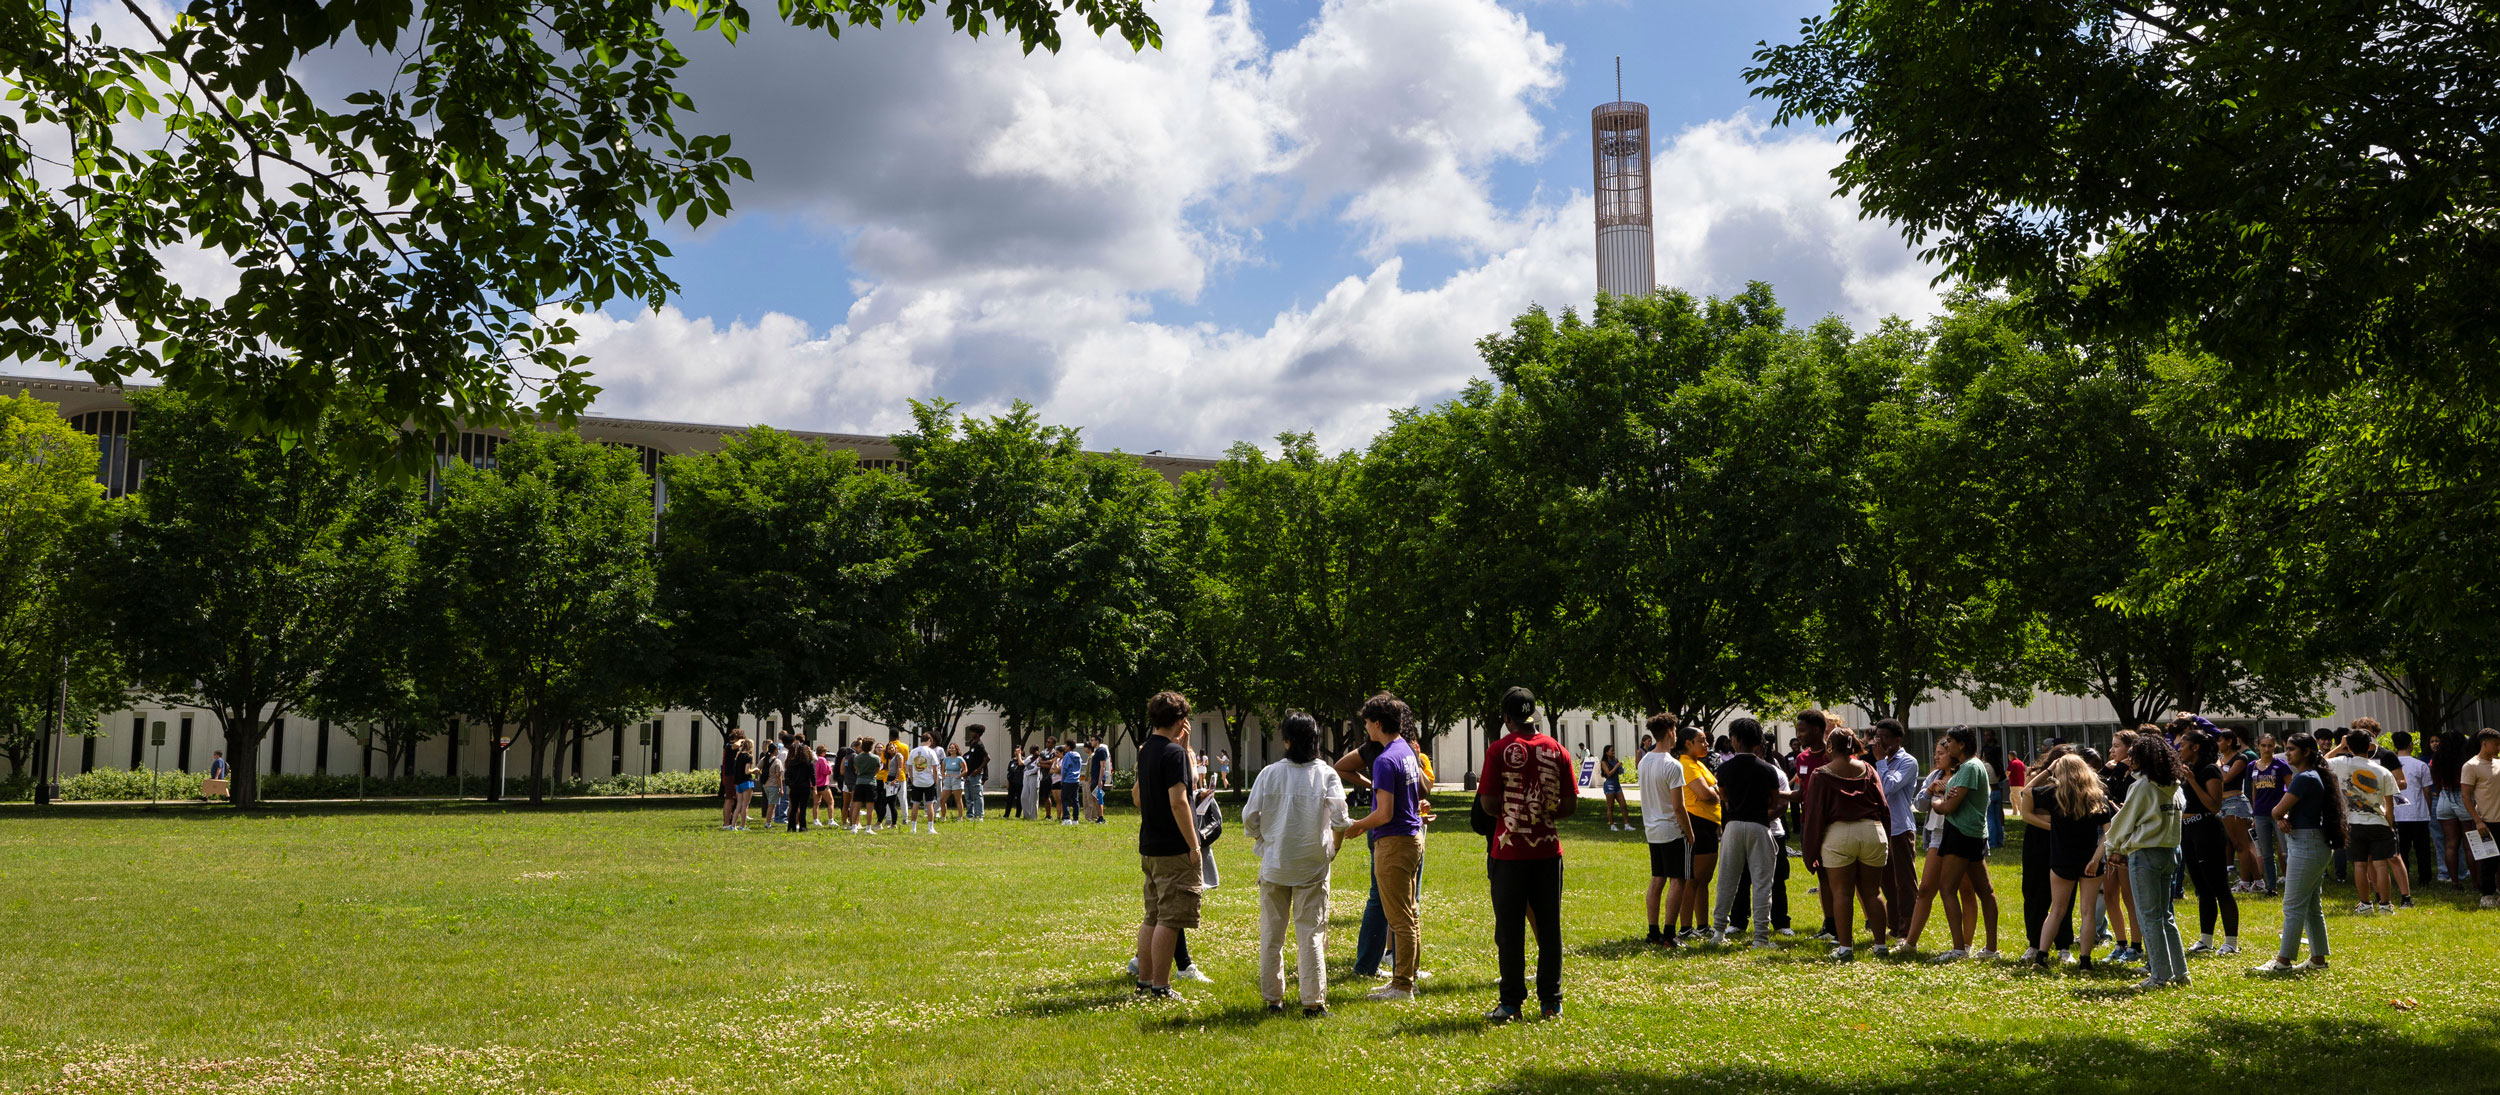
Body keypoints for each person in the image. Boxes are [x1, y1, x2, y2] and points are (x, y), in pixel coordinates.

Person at [1478, 687, 1574, 1022]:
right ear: (1533, 714)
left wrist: (1513, 814)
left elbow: (1488, 804)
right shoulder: (1557, 749)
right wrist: (1541, 815)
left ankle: (1511, 1003)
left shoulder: (1498, 750)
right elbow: (1569, 804)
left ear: (1506, 719)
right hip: (1548, 852)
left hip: (1509, 853)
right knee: (1549, 928)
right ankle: (1551, 1002)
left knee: (1510, 930)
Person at [1244, 713, 1350, 1016]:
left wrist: (1264, 840)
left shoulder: (1269, 773)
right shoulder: (1326, 774)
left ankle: (1273, 999)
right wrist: (1333, 848)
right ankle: (1313, 1002)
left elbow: (1249, 817)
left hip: (1276, 864)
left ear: (1286, 741)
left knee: (1272, 935)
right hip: (1312, 866)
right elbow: (1341, 819)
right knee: (1311, 935)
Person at [1342, 693, 1428, 1002]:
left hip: (1393, 841)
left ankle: (1402, 986)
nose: (1365, 728)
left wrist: (1357, 825)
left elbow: (1384, 813)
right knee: (1410, 914)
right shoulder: (1405, 749)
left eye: (1366, 723)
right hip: (1412, 837)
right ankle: (1409, 979)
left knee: (1400, 918)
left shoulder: (1385, 759)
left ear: (1377, 724)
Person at [1130, 691, 1202, 1001]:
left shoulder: (1146, 750)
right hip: (1173, 849)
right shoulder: (1173, 754)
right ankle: (1161, 987)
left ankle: (1145, 983)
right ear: (1180, 720)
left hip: (1150, 845)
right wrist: (1194, 845)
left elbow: (1137, 798)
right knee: (1170, 919)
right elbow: (1179, 802)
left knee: (1152, 916)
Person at [2253, 730, 2341, 974]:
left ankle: (2283, 961)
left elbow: (2275, 810)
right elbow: (2292, 811)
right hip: (2312, 842)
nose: (2287, 753)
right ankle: (2318, 960)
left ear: (2306, 752)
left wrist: (2280, 815)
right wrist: (2284, 817)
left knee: (2292, 906)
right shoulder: (2314, 775)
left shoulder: (2304, 778)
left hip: (2307, 844)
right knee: (2312, 905)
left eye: (2291, 749)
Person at [2105, 733, 2188, 990]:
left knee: (2149, 917)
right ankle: (2180, 972)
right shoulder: (2174, 785)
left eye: (2133, 755)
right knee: (2165, 917)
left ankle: (2160, 976)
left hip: (2146, 854)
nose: (2130, 759)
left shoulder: (2142, 786)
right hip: (2169, 851)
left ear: (2143, 758)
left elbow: (2124, 820)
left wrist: (2112, 847)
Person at [1800, 727, 1890, 960]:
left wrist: (1810, 852)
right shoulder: (1868, 769)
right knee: (1872, 892)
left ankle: (1845, 948)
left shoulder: (1820, 774)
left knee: (1842, 893)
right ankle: (1881, 945)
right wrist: (1885, 838)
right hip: (1872, 831)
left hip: (1839, 834)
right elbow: (1883, 807)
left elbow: (1814, 815)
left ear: (1830, 747)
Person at [2023, 754, 2113, 970]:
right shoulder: (2097, 796)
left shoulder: (2053, 795)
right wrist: (2096, 858)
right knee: (2088, 912)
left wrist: (2047, 770)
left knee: (2056, 910)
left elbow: (2026, 791)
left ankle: (2041, 957)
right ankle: (2085, 961)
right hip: (2090, 862)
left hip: (2062, 860)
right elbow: (2109, 833)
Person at [1923, 726, 2000, 961]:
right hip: (1974, 833)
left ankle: (1958, 950)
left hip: (1961, 833)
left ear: (1962, 745)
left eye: (1951, 742)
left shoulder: (1968, 767)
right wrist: (1947, 792)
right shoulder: (1975, 766)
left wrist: (1936, 799)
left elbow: (1948, 808)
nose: (1947, 746)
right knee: (1985, 891)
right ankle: (1990, 949)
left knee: (1947, 889)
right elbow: (1957, 798)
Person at [1709, 718, 1787, 948]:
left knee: (1727, 880)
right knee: (1763, 883)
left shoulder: (1724, 768)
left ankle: (1718, 932)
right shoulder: (1768, 769)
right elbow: (1774, 799)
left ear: (1736, 739)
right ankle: (1761, 937)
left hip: (1733, 826)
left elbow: (1723, 796)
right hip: (1760, 825)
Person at [2175, 729, 2241, 954]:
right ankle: (2206, 940)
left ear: (2195, 747)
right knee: (2202, 888)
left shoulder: (2210, 769)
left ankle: (2231, 942)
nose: (2179, 749)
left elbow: (2214, 805)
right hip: (2189, 831)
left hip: (2207, 831)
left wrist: (2192, 782)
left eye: (2183, 745)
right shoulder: (2188, 769)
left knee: (2219, 887)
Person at [2013, 744, 2078, 963]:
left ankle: (2063, 945)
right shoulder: (2038, 776)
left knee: (2063, 896)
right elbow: (2026, 802)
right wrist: (2048, 771)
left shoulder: (2075, 783)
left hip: (2064, 842)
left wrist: (2053, 822)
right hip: (2038, 841)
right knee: (2034, 892)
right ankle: (2034, 943)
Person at [2328, 726, 2398, 913]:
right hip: (2379, 822)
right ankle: (2385, 905)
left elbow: (2320, 762)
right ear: (2370, 746)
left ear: (2348, 746)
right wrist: (2390, 825)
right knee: (2381, 864)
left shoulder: (2341, 762)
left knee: (2359, 864)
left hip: (2352, 822)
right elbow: (2389, 805)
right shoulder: (2383, 771)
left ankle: (2365, 904)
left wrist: (2340, 746)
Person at [1638, 714, 1693, 948]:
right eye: (1676, 730)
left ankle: (1653, 932)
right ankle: (1669, 935)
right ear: (1670, 731)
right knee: (1677, 880)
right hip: (1671, 830)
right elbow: (1679, 807)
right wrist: (1690, 833)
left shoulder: (1644, 761)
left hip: (1652, 829)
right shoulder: (1673, 765)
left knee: (1657, 879)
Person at [1868, 720, 1920, 941]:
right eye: (1877, 737)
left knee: (1905, 883)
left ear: (1898, 739)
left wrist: (1880, 761)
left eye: (1885, 737)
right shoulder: (1878, 762)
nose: (1879, 741)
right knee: (1886, 881)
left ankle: (1907, 930)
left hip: (1900, 829)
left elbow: (1888, 787)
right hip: (1880, 828)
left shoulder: (1908, 762)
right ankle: (1893, 926)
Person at [1674, 724, 1722, 941]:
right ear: (1688, 743)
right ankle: (1685, 928)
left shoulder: (1697, 764)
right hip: (1697, 824)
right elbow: (1705, 794)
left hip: (1709, 825)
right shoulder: (1686, 764)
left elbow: (1714, 791)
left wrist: (1716, 792)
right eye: (1701, 740)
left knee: (1703, 880)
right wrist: (1717, 792)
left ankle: (1702, 926)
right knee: (1693, 880)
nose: (1706, 744)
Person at [2213, 727, 2265, 893]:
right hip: (2223, 802)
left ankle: (2245, 882)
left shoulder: (2240, 758)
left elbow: (2226, 778)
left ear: (2229, 741)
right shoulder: (2221, 759)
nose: (2217, 744)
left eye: (2220, 740)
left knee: (2242, 845)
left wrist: (2218, 763)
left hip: (2235, 802)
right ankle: (2257, 882)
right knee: (2239, 844)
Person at [2246, 734, 2291, 896]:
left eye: (2270, 745)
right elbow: (2254, 791)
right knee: (2266, 854)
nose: (2266, 749)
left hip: (2278, 813)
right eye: (2263, 745)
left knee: (2286, 851)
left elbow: (2291, 789)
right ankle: (2271, 887)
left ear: (2275, 746)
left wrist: (2287, 813)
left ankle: (2293, 884)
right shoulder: (2252, 766)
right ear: (2257, 746)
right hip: (2260, 814)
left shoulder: (2281, 765)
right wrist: (2253, 813)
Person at [2391, 731, 2434, 894]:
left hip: (2397, 814)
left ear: (2394, 745)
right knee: (2422, 850)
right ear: (2411, 744)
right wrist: (2427, 809)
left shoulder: (2388, 766)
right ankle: (2425, 878)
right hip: (2418, 813)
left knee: (2401, 850)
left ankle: (2404, 877)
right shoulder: (2420, 765)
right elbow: (2427, 791)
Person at [2462, 727, 2500, 906]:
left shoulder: (2499, 763)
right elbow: (2465, 796)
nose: (2498, 748)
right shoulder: (2471, 766)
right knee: (2490, 860)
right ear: (2484, 744)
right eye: (2496, 744)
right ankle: (2487, 894)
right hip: (2486, 820)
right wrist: (2477, 821)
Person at [2431, 729, 2471, 887]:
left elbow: (2436, 783)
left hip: (2444, 798)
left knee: (2450, 844)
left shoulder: (2437, 759)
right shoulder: (2466, 759)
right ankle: (2476, 881)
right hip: (2463, 798)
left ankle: (2455, 881)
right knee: (2469, 844)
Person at [907, 734, 942, 835]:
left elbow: (909, 767)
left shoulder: (913, 751)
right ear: (929, 741)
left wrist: (912, 779)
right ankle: (930, 828)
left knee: (915, 804)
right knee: (930, 804)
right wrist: (935, 780)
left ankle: (913, 828)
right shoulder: (931, 751)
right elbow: (935, 768)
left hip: (917, 782)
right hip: (928, 782)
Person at [721, 732, 754, 831]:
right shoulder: (729, 745)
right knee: (729, 799)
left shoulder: (738, 752)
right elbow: (735, 745)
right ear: (736, 738)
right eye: (741, 740)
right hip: (730, 775)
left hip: (733, 776)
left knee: (736, 801)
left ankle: (732, 822)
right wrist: (741, 741)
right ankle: (727, 824)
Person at [783, 738, 815, 833]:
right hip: (804, 787)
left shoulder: (792, 763)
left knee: (793, 808)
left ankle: (791, 827)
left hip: (794, 788)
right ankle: (803, 827)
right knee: (803, 808)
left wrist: (791, 784)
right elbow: (812, 776)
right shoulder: (809, 763)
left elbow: (787, 775)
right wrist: (814, 787)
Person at [849, 738, 880, 832]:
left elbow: (856, 768)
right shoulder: (876, 758)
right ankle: (868, 828)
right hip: (870, 782)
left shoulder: (857, 757)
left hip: (859, 782)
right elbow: (877, 770)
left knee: (856, 806)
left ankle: (854, 827)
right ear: (871, 747)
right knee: (870, 808)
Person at [963, 726, 990, 822]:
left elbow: (987, 758)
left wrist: (978, 770)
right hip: (969, 774)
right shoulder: (972, 743)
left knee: (977, 795)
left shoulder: (979, 744)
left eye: (973, 732)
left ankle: (979, 816)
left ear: (978, 734)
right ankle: (971, 815)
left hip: (975, 775)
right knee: (969, 796)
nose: (971, 733)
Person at [1600, 745, 1629, 831]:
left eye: (1613, 750)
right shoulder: (1604, 762)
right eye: (1611, 751)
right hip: (1610, 785)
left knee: (1623, 805)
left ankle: (1627, 824)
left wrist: (1621, 769)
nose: (1613, 752)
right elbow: (1608, 774)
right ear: (1606, 753)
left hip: (1617, 784)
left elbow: (1618, 771)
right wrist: (1616, 766)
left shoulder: (1615, 760)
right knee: (1611, 806)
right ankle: (1612, 825)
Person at [1058, 740, 1086, 825]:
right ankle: (1075, 819)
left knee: (1064, 799)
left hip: (1068, 780)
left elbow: (1064, 769)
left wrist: (1062, 779)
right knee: (1075, 800)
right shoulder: (1078, 755)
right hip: (1076, 780)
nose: (1065, 748)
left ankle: (1066, 818)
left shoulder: (1067, 756)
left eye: (1066, 746)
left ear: (1069, 746)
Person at [1088, 734, 1113, 824]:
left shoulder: (1101, 751)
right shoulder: (1096, 751)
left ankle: (1101, 817)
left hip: (1099, 778)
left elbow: (1103, 766)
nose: (1091, 742)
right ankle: (1099, 816)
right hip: (1094, 777)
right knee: (1095, 797)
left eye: (1092, 740)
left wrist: (1100, 780)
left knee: (1098, 797)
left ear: (1097, 741)